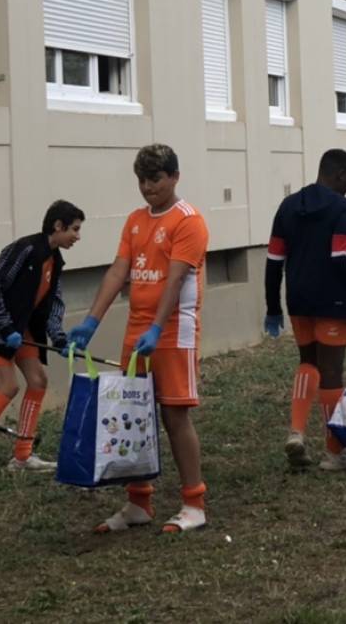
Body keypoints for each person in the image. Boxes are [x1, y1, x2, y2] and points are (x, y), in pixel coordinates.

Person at [67, 145, 210, 534]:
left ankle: (193, 502)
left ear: (174, 177)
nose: (148, 188)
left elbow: (176, 278)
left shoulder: (189, 221)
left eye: (156, 180)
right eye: (142, 181)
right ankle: (138, 501)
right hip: (136, 330)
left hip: (173, 332)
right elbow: (119, 271)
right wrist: (91, 321)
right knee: (132, 410)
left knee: (173, 413)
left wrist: (157, 328)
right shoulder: (134, 221)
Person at [265, 149, 346, 472]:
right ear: (340, 175)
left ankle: (297, 432)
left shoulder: (288, 206)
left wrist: (273, 307)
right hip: (333, 303)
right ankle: (336, 452)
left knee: (308, 362)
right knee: (332, 372)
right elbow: (342, 257)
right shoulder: (343, 208)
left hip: (298, 301)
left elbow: (274, 260)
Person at [0, 200, 83, 481]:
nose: (77, 236)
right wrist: (4, 326)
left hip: (22, 328)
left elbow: (53, 302)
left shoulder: (55, 260)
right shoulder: (25, 249)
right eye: (74, 229)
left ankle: (22, 455)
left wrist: (58, 337)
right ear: (57, 226)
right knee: (8, 387)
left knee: (38, 381)